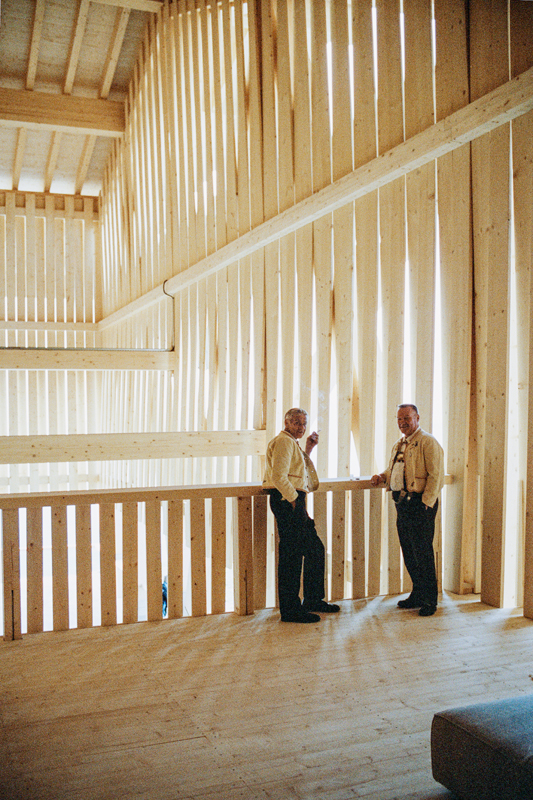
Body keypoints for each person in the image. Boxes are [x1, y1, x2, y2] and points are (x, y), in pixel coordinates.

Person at [263, 408, 340, 623]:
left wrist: (308, 448)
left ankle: (311, 600)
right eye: (296, 422)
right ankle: (291, 610)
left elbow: (295, 469)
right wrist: (295, 500)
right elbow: (278, 476)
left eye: (304, 423)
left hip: (290, 500)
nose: (301, 427)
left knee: (313, 550)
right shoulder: (284, 441)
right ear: (286, 422)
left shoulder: (290, 442)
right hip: (287, 500)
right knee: (293, 556)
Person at [371, 404, 444, 617]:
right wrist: (382, 476)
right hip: (403, 504)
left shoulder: (428, 442)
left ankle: (430, 600)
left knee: (423, 553)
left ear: (417, 418)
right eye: (399, 419)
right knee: (409, 552)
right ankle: (418, 594)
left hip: (420, 504)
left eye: (407, 418)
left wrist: (426, 504)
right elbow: (394, 469)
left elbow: (436, 475)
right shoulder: (400, 444)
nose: (402, 422)